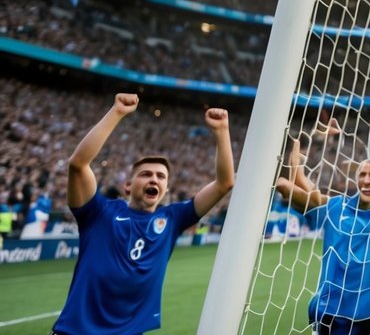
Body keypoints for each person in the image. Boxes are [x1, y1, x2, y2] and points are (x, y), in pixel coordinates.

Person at [52, 93, 234, 335]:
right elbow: (78, 165)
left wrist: (222, 132)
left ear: (166, 189)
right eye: (146, 174)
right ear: (128, 185)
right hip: (75, 331)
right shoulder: (98, 212)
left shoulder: (173, 219)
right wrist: (116, 112)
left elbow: (224, 184)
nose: (154, 179)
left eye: (160, 176)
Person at [275, 139, 370, 335]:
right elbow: (285, 186)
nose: (367, 180)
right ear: (356, 180)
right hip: (332, 316)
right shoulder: (336, 207)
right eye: (362, 174)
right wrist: (295, 157)